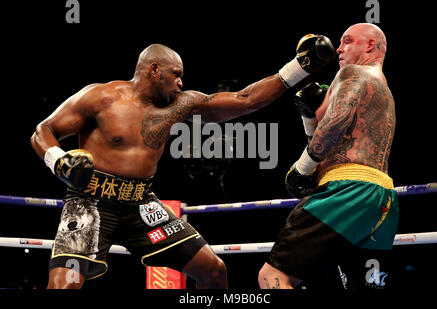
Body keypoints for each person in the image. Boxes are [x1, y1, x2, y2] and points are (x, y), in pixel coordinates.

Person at [30, 36, 335, 289]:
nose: (180, 82)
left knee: (214, 271)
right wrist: (60, 161)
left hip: (140, 203)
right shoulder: (100, 96)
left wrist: (299, 67)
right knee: (64, 284)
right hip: (91, 199)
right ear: (153, 70)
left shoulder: (180, 104)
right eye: (175, 74)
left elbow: (245, 100)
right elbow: (43, 131)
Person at [258, 23, 399, 289]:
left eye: (347, 41)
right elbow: (335, 138)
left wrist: (302, 168)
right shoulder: (382, 88)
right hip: (382, 200)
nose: (339, 49)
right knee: (343, 285)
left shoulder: (353, 73)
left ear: (369, 45)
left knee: (272, 277)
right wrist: (309, 118)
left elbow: (334, 125)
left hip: (347, 193)